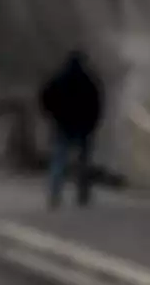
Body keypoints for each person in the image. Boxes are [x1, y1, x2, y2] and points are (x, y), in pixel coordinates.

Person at [39, 50, 103, 208]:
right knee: (83, 163)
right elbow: (97, 104)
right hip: (83, 127)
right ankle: (82, 195)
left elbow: (45, 97)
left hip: (63, 126)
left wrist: (53, 116)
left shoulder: (60, 79)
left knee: (59, 162)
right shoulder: (88, 80)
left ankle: (55, 194)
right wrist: (92, 123)